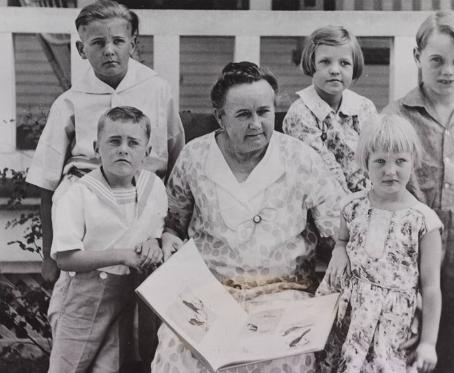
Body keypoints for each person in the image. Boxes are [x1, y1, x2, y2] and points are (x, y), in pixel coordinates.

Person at [151, 61, 345, 373]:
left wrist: (340, 250)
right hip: (210, 295)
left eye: (263, 112)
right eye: (243, 115)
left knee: (285, 359)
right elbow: (174, 220)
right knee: (178, 353)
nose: (255, 123)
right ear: (220, 117)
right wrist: (170, 239)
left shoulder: (300, 158)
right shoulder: (194, 156)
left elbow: (337, 227)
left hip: (283, 294)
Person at [26, 0, 184, 285]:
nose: (109, 50)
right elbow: (47, 184)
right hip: (91, 219)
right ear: (81, 49)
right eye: (97, 43)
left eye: (118, 41)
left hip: (147, 210)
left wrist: (168, 231)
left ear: (133, 44)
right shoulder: (69, 102)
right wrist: (48, 257)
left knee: (146, 306)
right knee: (90, 300)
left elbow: (176, 161)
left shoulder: (158, 89)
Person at [383, 11, 454, 373]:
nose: (448, 70)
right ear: (418, 58)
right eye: (436, 60)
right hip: (412, 245)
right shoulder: (397, 117)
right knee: (406, 338)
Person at [316, 114, 442, 373]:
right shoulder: (352, 206)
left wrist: (429, 342)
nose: (390, 170)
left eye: (400, 161)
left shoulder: (424, 221)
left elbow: (431, 288)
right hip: (348, 314)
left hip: (391, 323)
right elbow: (342, 240)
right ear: (366, 163)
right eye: (380, 161)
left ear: (413, 162)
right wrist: (339, 251)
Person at [48, 106, 167, 372]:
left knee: (108, 367)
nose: (123, 149)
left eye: (133, 143)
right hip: (81, 296)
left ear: (146, 153)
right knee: (69, 366)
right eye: (114, 141)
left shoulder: (153, 187)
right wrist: (123, 254)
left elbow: (155, 231)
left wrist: (152, 243)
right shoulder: (78, 193)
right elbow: (66, 258)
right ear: (96, 147)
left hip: (125, 294)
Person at [283, 25, 377, 194]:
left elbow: (377, 155)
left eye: (344, 63)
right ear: (312, 64)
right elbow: (322, 168)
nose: (335, 70)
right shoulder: (300, 114)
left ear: (354, 67)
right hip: (323, 199)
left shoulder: (364, 107)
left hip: (368, 197)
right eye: (325, 62)